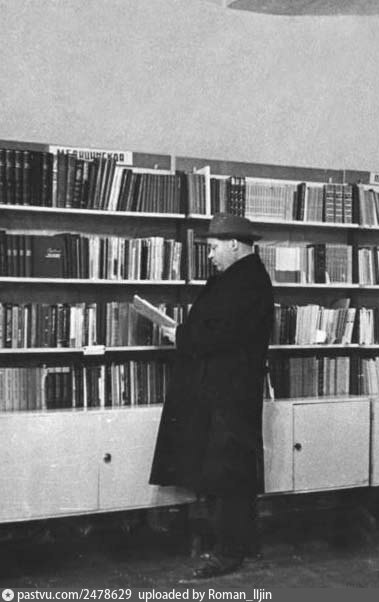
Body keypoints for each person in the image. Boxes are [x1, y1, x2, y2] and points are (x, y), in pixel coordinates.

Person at [149, 212, 274, 579]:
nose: (210, 254)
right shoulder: (242, 277)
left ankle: (228, 552)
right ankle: (242, 545)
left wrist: (181, 336)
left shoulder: (245, 281)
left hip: (228, 394)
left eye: (214, 247)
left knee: (227, 473)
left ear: (234, 244)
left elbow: (223, 335)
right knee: (229, 471)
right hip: (225, 391)